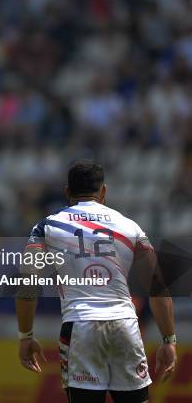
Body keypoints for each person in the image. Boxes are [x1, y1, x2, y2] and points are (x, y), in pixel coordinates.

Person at [15, 159, 177, 403]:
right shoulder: (130, 226)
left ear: (67, 192)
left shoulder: (46, 227)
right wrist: (169, 340)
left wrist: (26, 336)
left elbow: (27, 286)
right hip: (125, 325)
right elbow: (157, 287)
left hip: (80, 326)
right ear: (103, 191)